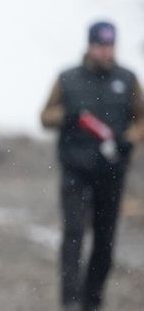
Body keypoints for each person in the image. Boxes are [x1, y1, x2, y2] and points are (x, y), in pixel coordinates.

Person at [40, 21, 144, 311]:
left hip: (112, 171)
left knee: (105, 240)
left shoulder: (128, 80)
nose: (105, 51)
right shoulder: (67, 79)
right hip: (75, 170)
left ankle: (93, 300)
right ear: (89, 45)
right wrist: (67, 115)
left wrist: (129, 139)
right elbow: (45, 116)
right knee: (73, 234)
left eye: (110, 46)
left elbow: (141, 120)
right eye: (100, 45)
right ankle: (70, 301)